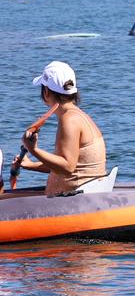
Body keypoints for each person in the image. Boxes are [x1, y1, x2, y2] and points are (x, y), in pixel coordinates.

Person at [16, 61, 107, 196]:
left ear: (46, 92)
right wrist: (32, 165)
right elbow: (74, 165)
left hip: (73, 201)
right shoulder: (79, 116)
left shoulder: (69, 120)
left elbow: (67, 167)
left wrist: (32, 149)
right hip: (81, 196)